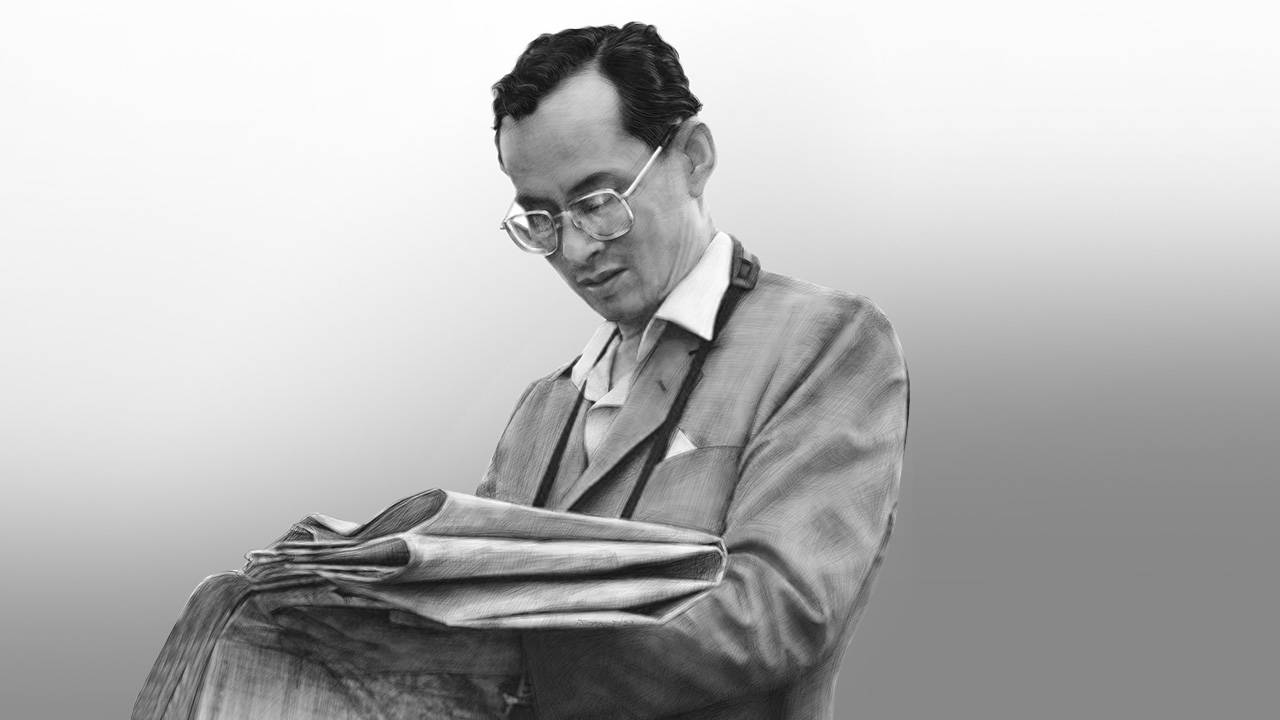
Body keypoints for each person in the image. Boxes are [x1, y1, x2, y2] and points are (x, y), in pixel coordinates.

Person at [476, 22, 910, 720]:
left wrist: (505, 659)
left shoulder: (826, 342)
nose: (576, 250)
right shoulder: (541, 410)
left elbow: (775, 613)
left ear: (694, 158)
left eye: (597, 203)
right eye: (542, 220)